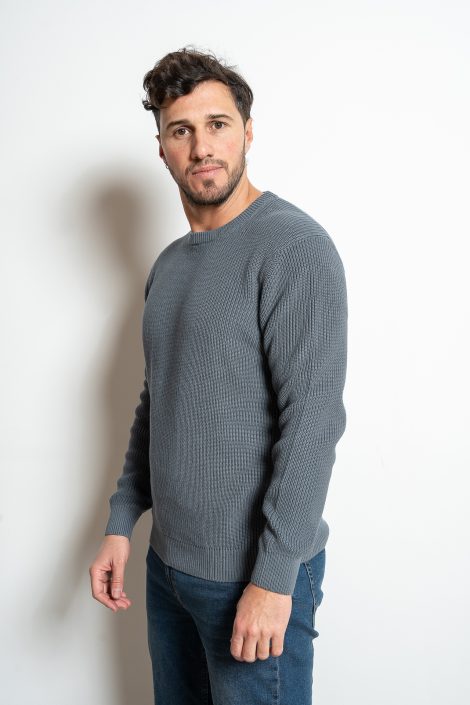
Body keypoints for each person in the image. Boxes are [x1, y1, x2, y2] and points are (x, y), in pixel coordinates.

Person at [89, 45, 348, 705]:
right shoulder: (170, 265)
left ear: (248, 132)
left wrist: (273, 578)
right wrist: (122, 519)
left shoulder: (294, 248)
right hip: (168, 572)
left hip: (251, 580)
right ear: (162, 148)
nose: (201, 146)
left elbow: (312, 422)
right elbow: (158, 401)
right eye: (181, 130)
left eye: (218, 124)